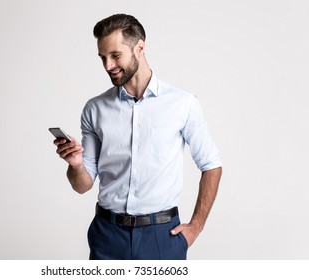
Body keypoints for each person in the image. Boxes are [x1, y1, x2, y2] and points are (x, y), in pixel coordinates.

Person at [53, 13, 222, 260]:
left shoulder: (182, 104)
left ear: (140, 47)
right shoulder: (95, 109)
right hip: (107, 235)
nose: (108, 65)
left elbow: (211, 165)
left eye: (115, 55)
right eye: (103, 58)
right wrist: (76, 165)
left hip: (162, 236)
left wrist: (196, 226)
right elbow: (82, 185)